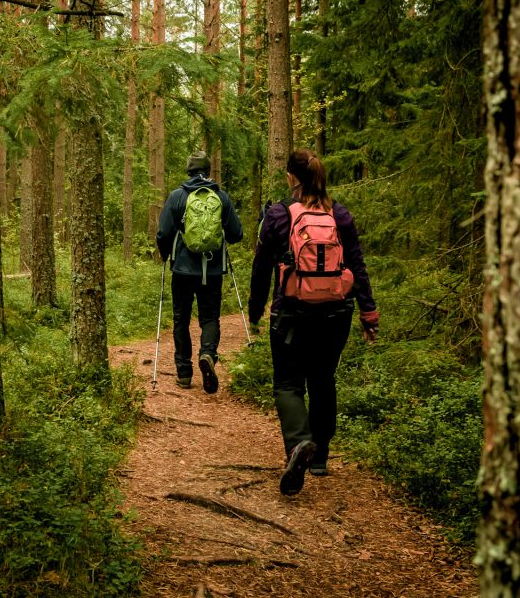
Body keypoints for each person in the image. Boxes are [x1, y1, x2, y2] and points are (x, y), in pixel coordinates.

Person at [248, 148, 378, 495]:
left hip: (291, 312)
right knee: (322, 377)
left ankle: (298, 443)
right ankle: (319, 456)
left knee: (288, 383)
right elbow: (357, 265)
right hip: (334, 313)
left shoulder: (279, 214)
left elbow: (261, 266)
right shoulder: (340, 215)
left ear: (291, 177)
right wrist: (368, 312)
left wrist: (256, 309)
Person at [156, 151, 243, 393]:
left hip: (182, 270)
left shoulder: (177, 197)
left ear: (188, 171)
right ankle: (207, 354)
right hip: (212, 270)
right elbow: (236, 234)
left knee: (181, 319)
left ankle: (184, 373)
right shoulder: (221, 197)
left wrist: (166, 255)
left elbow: (163, 234)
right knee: (209, 318)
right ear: (208, 170)